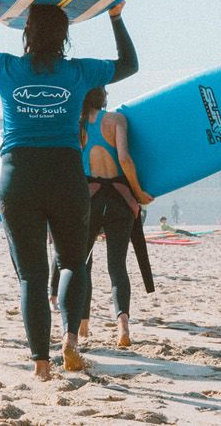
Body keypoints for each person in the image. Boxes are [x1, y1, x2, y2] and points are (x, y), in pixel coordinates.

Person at [0, 0, 137, 381]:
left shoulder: (5, 68)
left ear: (26, 33)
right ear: (65, 35)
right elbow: (129, 65)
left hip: (18, 176)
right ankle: (70, 341)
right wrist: (115, 17)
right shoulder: (79, 71)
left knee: (32, 276)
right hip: (66, 174)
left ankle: (40, 364)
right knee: (72, 261)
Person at [60, 86, 154, 367]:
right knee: (117, 265)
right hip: (119, 199)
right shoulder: (116, 120)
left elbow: (71, 164)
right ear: (103, 97)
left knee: (81, 263)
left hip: (88, 199)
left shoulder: (75, 125)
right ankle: (123, 326)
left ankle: (81, 326)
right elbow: (124, 159)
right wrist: (137, 193)